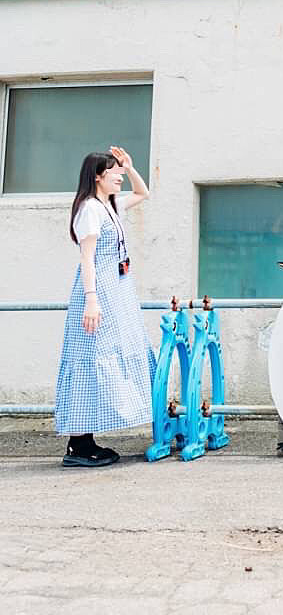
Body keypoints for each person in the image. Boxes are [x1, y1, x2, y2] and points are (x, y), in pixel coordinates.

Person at [54, 147, 154, 467]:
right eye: (115, 173)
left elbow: (144, 192)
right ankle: (78, 445)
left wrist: (129, 165)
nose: (120, 177)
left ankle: (86, 441)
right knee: (91, 357)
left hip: (118, 288)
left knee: (112, 352)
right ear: (98, 176)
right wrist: (92, 301)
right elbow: (87, 259)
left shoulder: (110, 205)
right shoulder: (89, 210)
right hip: (99, 292)